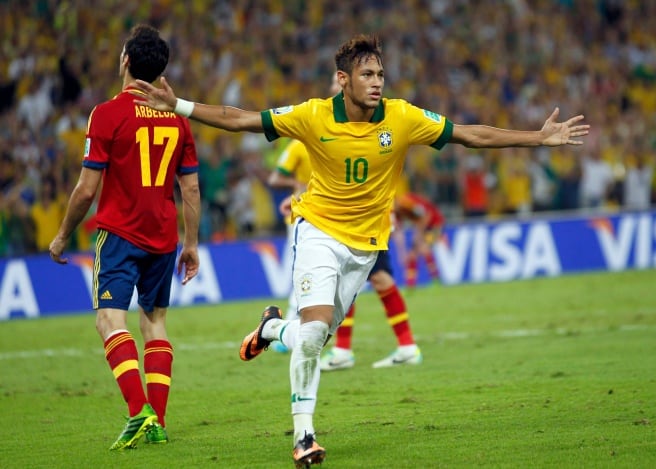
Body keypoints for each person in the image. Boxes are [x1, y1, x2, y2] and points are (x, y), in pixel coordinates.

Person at [133, 34, 589, 467]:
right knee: (313, 337)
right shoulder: (313, 115)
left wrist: (537, 137)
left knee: (315, 337)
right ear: (344, 79)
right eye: (367, 74)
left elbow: (470, 135)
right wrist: (180, 106)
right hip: (317, 233)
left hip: (366, 246)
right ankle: (303, 436)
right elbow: (241, 119)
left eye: (381, 75)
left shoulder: (403, 117)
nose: (377, 83)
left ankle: (272, 328)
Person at [48, 25, 201, 451]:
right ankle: (159, 421)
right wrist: (191, 244)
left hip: (118, 234)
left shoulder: (108, 113)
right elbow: (189, 189)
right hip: (163, 237)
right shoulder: (178, 119)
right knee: (154, 323)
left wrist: (62, 236)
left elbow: (85, 189)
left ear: (126, 62)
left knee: (108, 320)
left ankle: (139, 412)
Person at [270, 138, 422, 369]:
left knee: (351, 283)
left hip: (360, 223)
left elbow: (346, 187)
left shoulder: (353, 140)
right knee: (373, 281)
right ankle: (398, 346)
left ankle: (347, 351)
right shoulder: (350, 140)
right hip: (361, 221)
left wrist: (301, 200)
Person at [393, 191, 445, 288]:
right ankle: (410, 284)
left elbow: (426, 215)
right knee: (413, 255)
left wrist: (418, 235)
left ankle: (436, 280)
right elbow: (398, 233)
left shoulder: (406, 203)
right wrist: (402, 253)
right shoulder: (396, 212)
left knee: (424, 249)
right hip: (423, 227)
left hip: (435, 225)